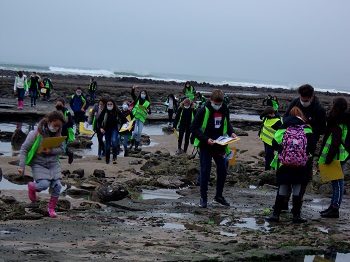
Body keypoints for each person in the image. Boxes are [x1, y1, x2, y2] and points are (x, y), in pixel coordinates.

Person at [266, 107, 316, 223]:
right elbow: (312, 147)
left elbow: (274, 143)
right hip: (301, 165)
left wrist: (282, 151)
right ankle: (296, 216)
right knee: (297, 189)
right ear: (301, 116)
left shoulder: (283, 128)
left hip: (285, 164)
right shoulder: (307, 129)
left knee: (283, 188)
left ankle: (276, 215)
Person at [191, 89, 236, 208]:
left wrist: (232, 133)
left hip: (220, 145)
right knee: (205, 171)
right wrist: (206, 139)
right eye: (216, 103)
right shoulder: (203, 110)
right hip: (206, 145)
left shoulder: (225, 109)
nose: (217, 106)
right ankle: (203, 198)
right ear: (211, 100)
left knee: (222, 169)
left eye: (219, 104)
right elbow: (194, 128)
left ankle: (218, 196)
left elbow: (228, 123)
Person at [18, 111, 66, 218]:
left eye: (59, 126)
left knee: (57, 186)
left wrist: (51, 150)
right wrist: (21, 166)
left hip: (53, 164)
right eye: (55, 125)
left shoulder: (59, 135)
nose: (57, 128)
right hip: (39, 163)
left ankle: (51, 209)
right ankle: (32, 187)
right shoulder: (35, 134)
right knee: (44, 185)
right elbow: (24, 149)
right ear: (49, 122)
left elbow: (62, 149)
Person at [318, 97, 350, 218]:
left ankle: (334, 208)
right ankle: (332, 207)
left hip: (337, 155)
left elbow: (335, 142)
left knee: (337, 183)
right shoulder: (343, 120)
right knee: (337, 182)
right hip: (342, 155)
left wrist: (328, 159)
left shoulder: (337, 122)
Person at [98, 99, 126, 164]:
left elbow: (123, 119)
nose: (109, 105)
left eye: (111, 104)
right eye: (108, 104)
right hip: (106, 129)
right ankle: (107, 159)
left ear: (113, 105)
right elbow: (99, 121)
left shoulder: (116, 111)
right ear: (106, 105)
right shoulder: (104, 111)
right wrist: (101, 128)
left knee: (114, 141)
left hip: (114, 129)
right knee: (107, 144)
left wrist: (126, 124)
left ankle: (114, 157)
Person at [130, 86, 151, 151]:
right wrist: (133, 89)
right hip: (135, 118)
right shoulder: (137, 100)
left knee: (139, 133)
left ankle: (136, 146)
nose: (143, 94)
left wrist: (148, 111)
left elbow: (149, 112)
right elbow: (132, 95)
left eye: (144, 93)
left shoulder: (147, 103)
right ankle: (131, 144)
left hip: (141, 119)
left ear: (146, 95)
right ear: (140, 94)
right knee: (134, 132)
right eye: (142, 93)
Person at [55, 98, 74, 164]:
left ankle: (70, 154)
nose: (58, 105)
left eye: (59, 104)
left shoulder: (67, 112)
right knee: (56, 146)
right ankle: (56, 162)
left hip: (64, 132)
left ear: (63, 105)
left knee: (63, 148)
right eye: (57, 104)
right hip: (56, 132)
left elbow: (71, 122)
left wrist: (65, 125)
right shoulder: (55, 112)